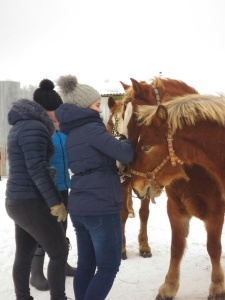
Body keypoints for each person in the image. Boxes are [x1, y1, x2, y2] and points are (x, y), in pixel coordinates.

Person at [55, 75, 135, 300]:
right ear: (84, 105)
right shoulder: (92, 128)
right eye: (97, 105)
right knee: (108, 268)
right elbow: (125, 153)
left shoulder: (70, 133)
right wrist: (126, 139)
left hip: (80, 207)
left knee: (86, 266)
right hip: (102, 206)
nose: (100, 110)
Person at [5, 99, 70, 300]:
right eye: (56, 112)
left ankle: (22, 297)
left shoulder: (20, 126)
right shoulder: (35, 127)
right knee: (59, 252)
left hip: (17, 200)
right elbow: (37, 169)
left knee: (24, 254)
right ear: (45, 111)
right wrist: (55, 202)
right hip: (32, 201)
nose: (59, 118)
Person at [29, 79, 76, 291]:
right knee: (43, 232)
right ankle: (36, 273)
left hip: (63, 186)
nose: (56, 115)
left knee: (61, 229)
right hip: (43, 190)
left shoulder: (62, 131)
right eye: (52, 111)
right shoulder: (38, 131)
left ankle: (61, 263)